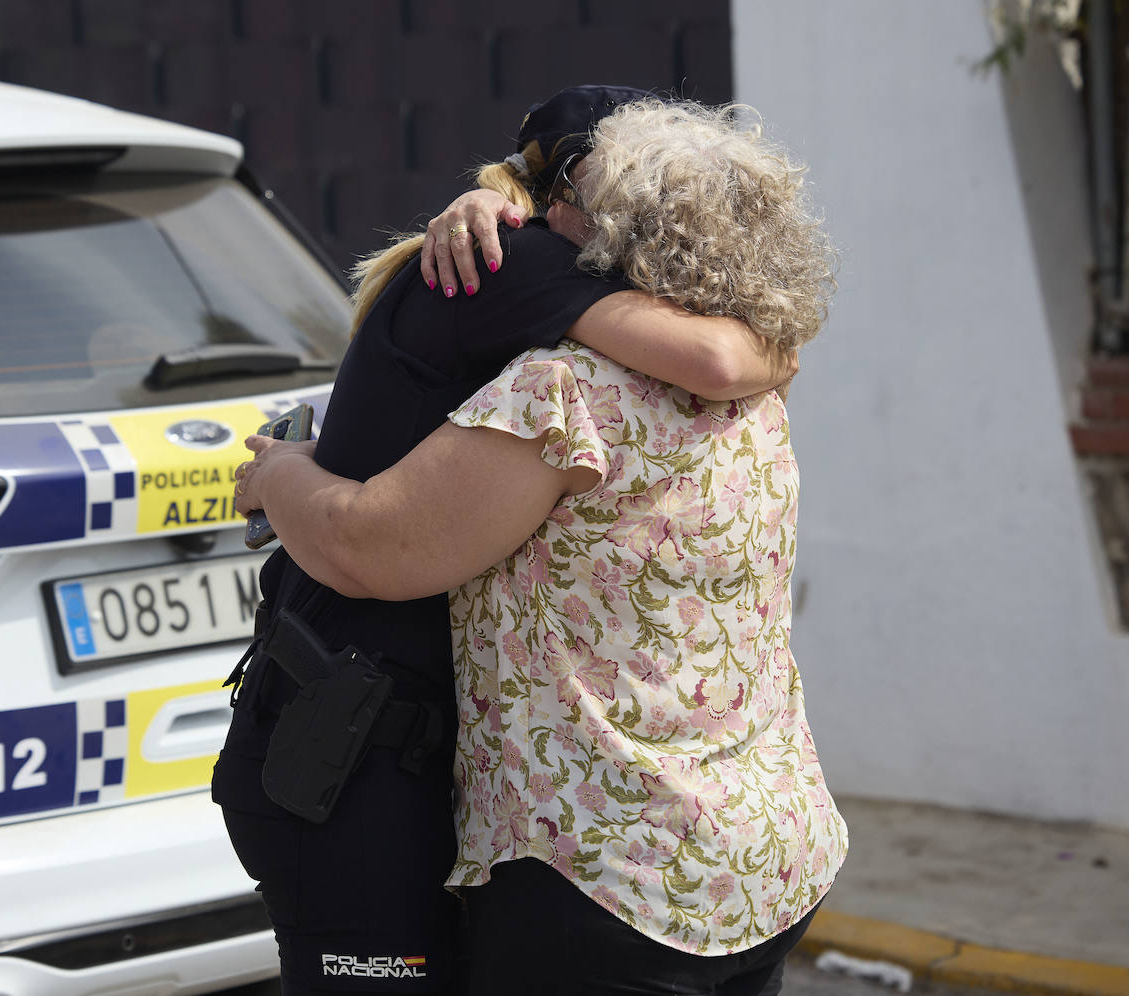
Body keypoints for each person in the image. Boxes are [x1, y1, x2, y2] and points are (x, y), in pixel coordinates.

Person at [234, 97, 847, 996]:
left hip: (614, 872)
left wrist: (275, 472)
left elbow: (367, 548)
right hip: (765, 850)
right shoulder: (761, 388)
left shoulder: (561, 392)